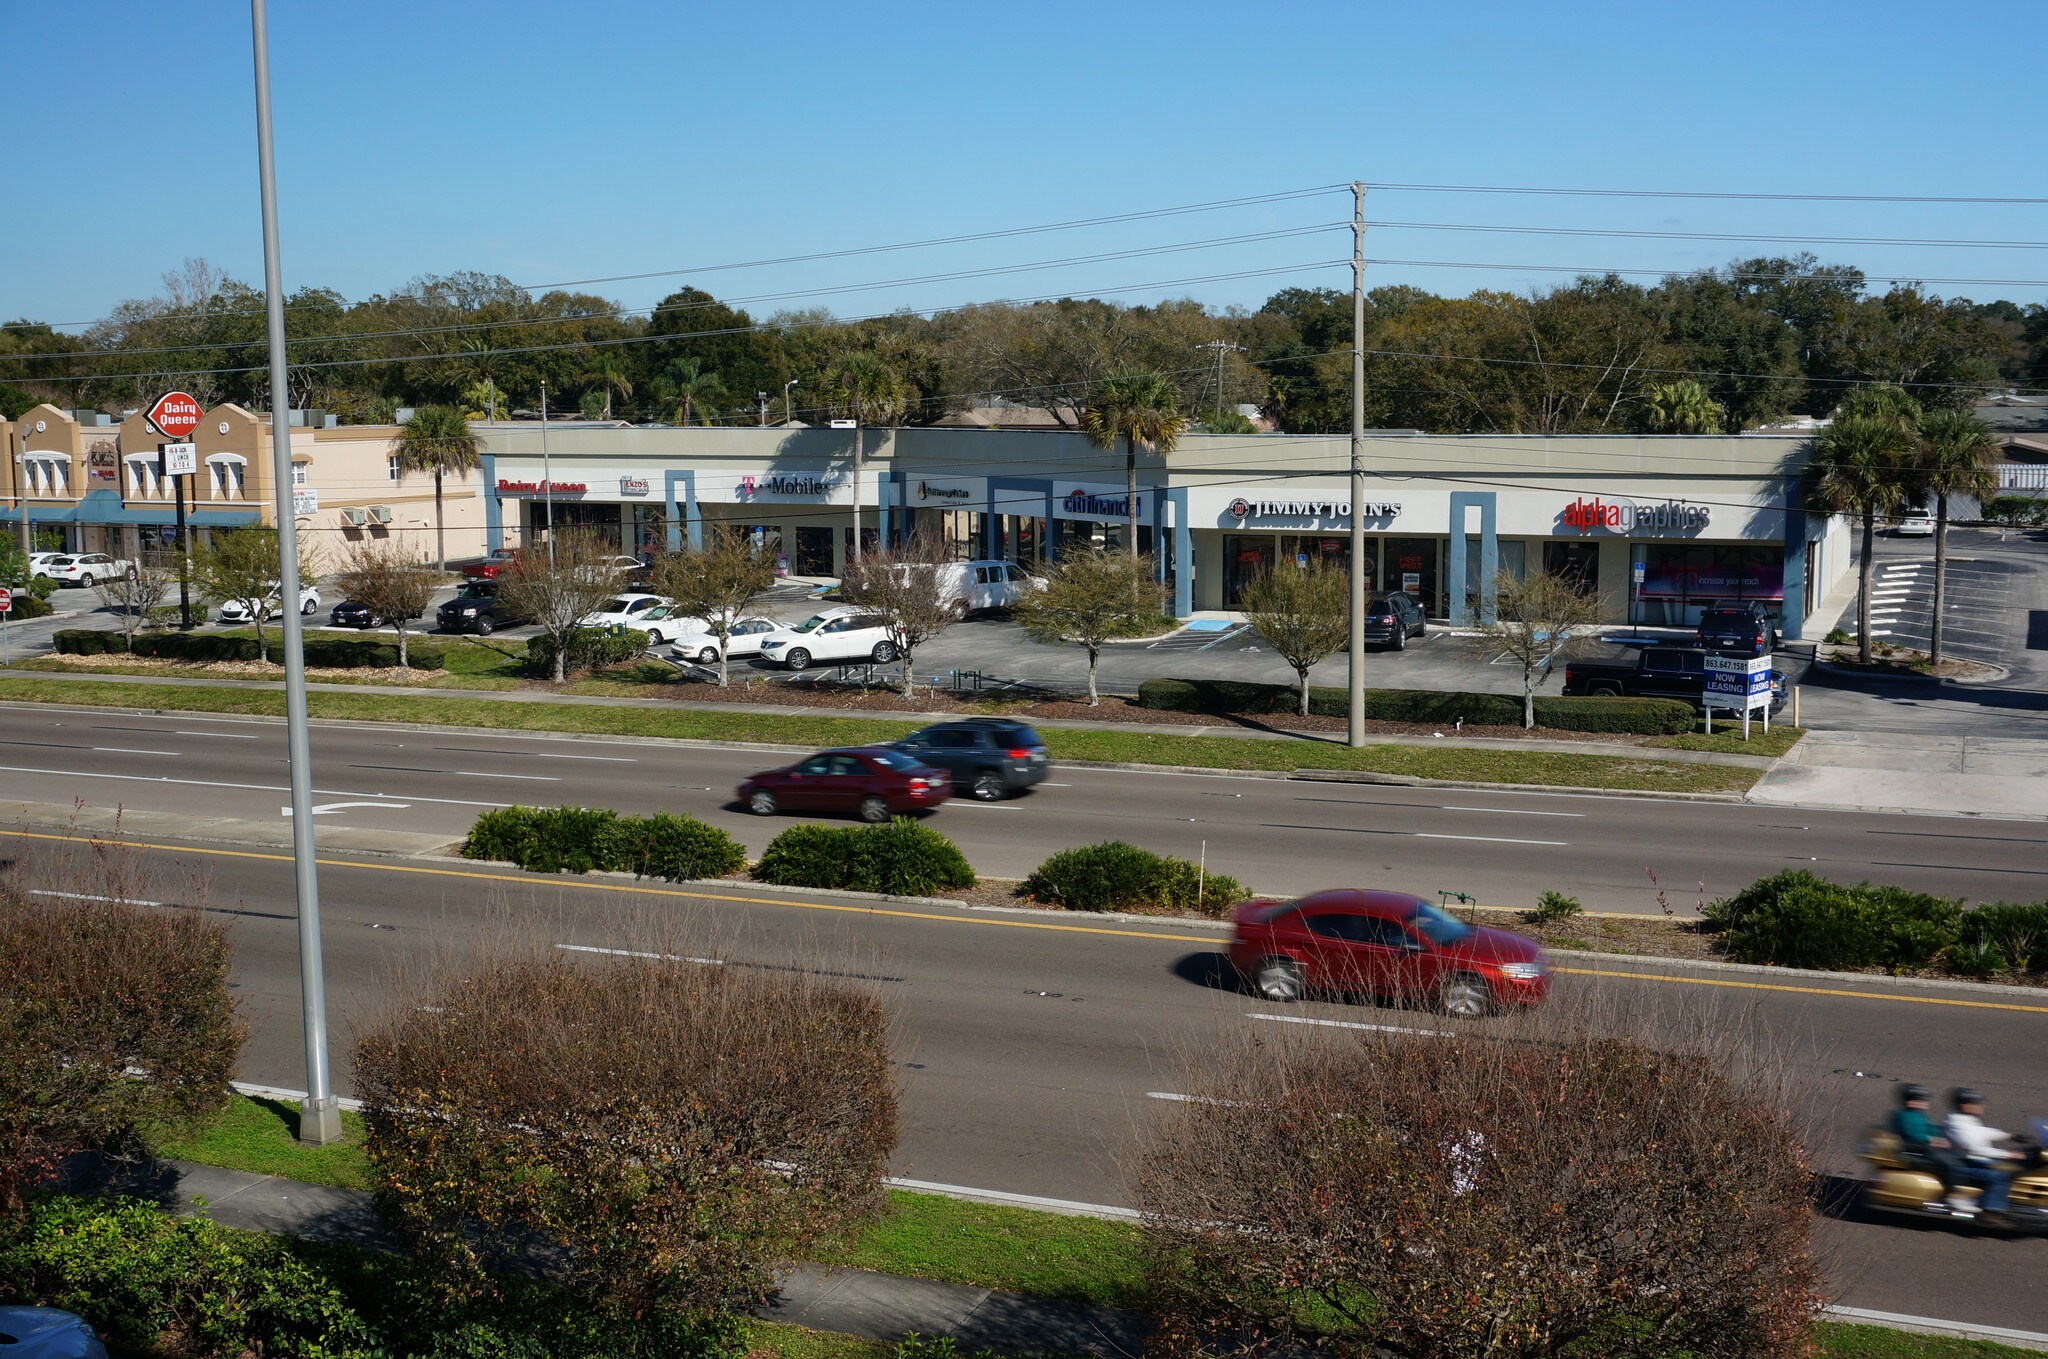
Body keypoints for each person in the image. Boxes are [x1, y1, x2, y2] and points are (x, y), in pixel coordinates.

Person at [1944, 1088, 2019, 1221]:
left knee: (2015, 1169)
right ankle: (1991, 1211)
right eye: (1977, 1103)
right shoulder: (1956, 1124)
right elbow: (1975, 1149)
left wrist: (2010, 1136)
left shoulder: (1967, 1119)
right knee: (2000, 1176)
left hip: (1976, 1161)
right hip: (1965, 1165)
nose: (1981, 1106)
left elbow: (1983, 1132)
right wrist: (2009, 1154)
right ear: (1965, 1105)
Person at [1888, 1083, 1957, 1196]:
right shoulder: (1904, 1116)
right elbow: (1915, 1136)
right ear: (1911, 1101)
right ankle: (1952, 1195)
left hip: (1922, 1148)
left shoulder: (1917, 1115)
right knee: (1951, 1164)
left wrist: (1946, 1132)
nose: (1926, 1102)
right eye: (1923, 1099)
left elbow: (1930, 1128)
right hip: (1915, 1151)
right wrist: (1935, 1141)